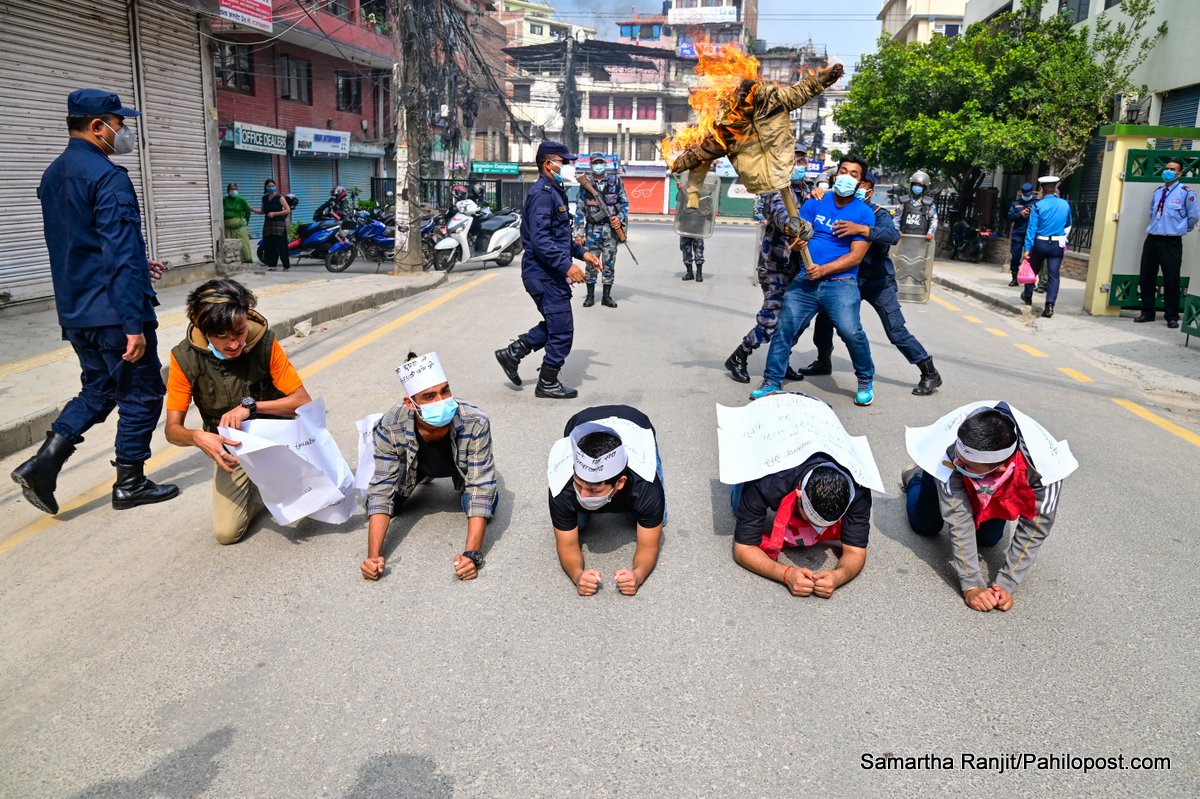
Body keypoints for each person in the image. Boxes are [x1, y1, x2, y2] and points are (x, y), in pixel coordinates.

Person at [12, 89, 179, 515]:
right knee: (141, 394)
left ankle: (43, 465)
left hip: (76, 308)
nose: (124, 133)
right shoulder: (108, 176)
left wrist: (140, 264)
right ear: (97, 126)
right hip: (113, 311)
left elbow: (83, 242)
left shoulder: (54, 174)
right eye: (119, 124)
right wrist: (132, 323)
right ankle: (131, 484)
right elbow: (116, 253)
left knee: (100, 388)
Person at [163, 279, 311, 543]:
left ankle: (272, 482)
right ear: (203, 329)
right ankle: (262, 489)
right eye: (222, 337)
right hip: (235, 448)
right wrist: (198, 437)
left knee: (315, 498)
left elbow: (302, 401)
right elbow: (172, 430)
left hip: (277, 438)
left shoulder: (264, 342)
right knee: (227, 533)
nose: (233, 344)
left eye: (239, 332)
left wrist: (251, 407)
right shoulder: (184, 358)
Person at [902, 403, 1073, 613]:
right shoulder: (951, 457)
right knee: (925, 525)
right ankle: (915, 477)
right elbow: (958, 518)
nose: (958, 463)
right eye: (959, 459)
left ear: (999, 468)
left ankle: (983, 489)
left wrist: (1006, 584)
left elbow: (1035, 529)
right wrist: (971, 585)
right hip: (945, 472)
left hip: (996, 482)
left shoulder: (1048, 468)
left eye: (967, 465)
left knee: (988, 540)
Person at [797, 171, 943, 396]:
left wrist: (863, 230)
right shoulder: (836, 207)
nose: (853, 186)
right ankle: (823, 360)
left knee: (896, 330)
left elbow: (892, 236)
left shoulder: (877, 213)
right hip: (844, 279)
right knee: (824, 321)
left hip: (876, 281)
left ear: (869, 191)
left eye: (859, 183)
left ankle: (929, 372)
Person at [361, 352, 497, 582]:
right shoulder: (389, 425)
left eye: (445, 391)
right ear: (410, 403)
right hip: (412, 471)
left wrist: (471, 556)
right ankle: (423, 476)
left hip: (461, 471)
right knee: (380, 507)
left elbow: (480, 488)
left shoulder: (475, 421)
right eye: (429, 396)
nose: (441, 401)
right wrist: (372, 558)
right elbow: (381, 489)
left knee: (484, 508)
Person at [751, 155, 876, 406]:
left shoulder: (863, 214)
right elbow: (798, 234)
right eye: (843, 171)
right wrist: (796, 243)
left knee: (851, 331)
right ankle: (771, 380)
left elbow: (856, 256)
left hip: (841, 283)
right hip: (806, 280)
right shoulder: (816, 202)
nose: (846, 177)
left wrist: (825, 269)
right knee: (785, 327)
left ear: (861, 182)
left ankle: (865, 378)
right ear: (835, 174)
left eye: (854, 174)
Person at [494, 141, 602, 399]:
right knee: (562, 331)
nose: (568, 166)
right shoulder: (543, 194)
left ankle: (513, 353)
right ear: (548, 163)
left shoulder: (554, 190)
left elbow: (558, 238)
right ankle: (547, 383)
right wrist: (567, 266)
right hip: (543, 275)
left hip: (547, 274)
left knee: (556, 325)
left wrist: (582, 253)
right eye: (564, 162)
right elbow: (541, 241)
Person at [548, 405, 665, 597]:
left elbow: (649, 546)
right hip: (581, 421)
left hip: (636, 423)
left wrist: (638, 575)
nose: (583, 495)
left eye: (593, 490)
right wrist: (578, 576)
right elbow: (567, 544)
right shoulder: (562, 483)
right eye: (579, 485)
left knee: (655, 516)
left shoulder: (645, 487)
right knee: (579, 522)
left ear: (620, 483)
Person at [731, 447, 871, 599]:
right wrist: (786, 574)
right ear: (798, 494)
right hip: (776, 451)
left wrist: (838, 577)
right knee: (739, 502)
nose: (815, 528)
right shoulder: (767, 482)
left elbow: (856, 551)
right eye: (809, 519)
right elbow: (743, 549)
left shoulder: (859, 490)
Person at [724, 147, 811, 384]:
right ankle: (740, 355)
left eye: (801, 160)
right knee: (771, 318)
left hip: (798, 267)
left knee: (798, 319)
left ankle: (781, 361)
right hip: (775, 265)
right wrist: (796, 227)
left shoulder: (807, 191)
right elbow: (783, 218)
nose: (797, 164)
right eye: (792, 160)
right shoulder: (777, 191)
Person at [1135, 158, 1198, 329]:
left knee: (1171, 278)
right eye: (1166, 168)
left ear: (1179, 173)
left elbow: (1194, 216)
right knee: (1147, 276)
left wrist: (1182, 228)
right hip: (1153, 238)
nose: (1167, 171)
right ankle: (1147, 312)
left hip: (1171, 241)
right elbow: (1151, 211)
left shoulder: (1186, 192)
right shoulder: (1158, 192)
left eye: (1172, 169)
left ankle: (1171, 316)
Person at [573, 152, 628, 308]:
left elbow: (625, 204)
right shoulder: (585, 184)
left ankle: (606, 296)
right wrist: (578, 234)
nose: (599, 165)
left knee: (609, 264)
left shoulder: (616, 182)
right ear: (591, 165)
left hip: (610, 231)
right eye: (596, 162)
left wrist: (619, 218)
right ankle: (590, 296)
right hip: (592, 231)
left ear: (605, 164)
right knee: (591, 263)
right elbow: (580, 210)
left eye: (601, 162)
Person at [1021, 175, 1072, 318]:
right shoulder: (1065, 204)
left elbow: (1031, 229)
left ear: (1042, 189)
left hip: (1040, 243)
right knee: (1054, 275)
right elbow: (1068, 224)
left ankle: (1028, 297)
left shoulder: (1038, 205)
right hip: (1057, 245)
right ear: (1055, 188)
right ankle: (1049, 305)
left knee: (1033, 271)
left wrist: (1027, 249)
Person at [1006, 182, 1036, 287]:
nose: (1027, 196)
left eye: (1029, 194)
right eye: (1025, 194)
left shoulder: (1037, 203)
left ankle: (1031, 280)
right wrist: (1020, 214)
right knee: (1015, 256)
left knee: (1031, 258)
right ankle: (1015, 278)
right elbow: (1010, 217)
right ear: (1022, 193)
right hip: (1018, 234)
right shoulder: (1016, 203)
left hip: (1031, 234)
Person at [896, 170, 938, 242]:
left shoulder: (928, 204)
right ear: (911, 185)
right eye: (915, 184)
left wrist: (931, 232)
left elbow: (934, 219)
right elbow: (896, 217)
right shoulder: (904, 201)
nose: (917, 187)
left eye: (920, 185)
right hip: (903, 239)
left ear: (924, 187)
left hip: (922, 241)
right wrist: (896, 231)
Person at [260, 178, 291, 271]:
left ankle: (286, 266)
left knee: (282, 246)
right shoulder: (264, 198)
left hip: (279, 226)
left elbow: (287, 210)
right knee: (270, 246)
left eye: (273, 186)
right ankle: (273, 265)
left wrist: (274, 213)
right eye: (269, 186)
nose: (271, 188)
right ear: (265, 187)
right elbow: (262, 211)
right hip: (268, 226)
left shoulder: (280, 197)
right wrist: (252, 210)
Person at [223, 182, 255, 264]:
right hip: (228, 227)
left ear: (238, 190)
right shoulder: (224, 200)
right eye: (231, 189)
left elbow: (248, 212)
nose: (233, 191)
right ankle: (233, 262)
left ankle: (248, 261)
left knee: (244, 244)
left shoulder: (241, 200)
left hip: (240, 225)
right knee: (229, 246)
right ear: (227, 191)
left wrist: (246, 222)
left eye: (235, 189)